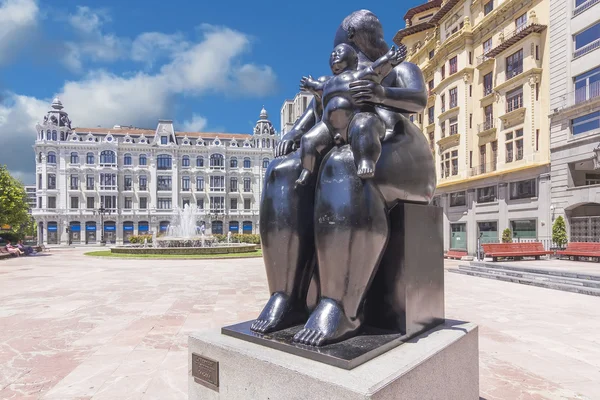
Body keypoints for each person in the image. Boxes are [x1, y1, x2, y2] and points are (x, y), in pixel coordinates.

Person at [252, 9, 436, 347]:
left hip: (399, 151)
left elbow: (419, 100)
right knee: (282, 172)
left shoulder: (399, 69)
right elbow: (312, 114)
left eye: (373, 34)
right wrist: (294, 133)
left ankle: (342, 306)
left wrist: (381, 95)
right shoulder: (339, 80)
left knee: (344, 163)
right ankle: (286, 296)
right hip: (346, 141)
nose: (375, 41)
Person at [296, 43, 405, 184]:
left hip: (355, 119)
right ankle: (307, 169)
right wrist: (309, 83)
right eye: (332, 54)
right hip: (329, 128)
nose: (334, 55)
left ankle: (366, 160)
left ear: (354, 60)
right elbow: (316, 88)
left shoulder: (358, 75)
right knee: (308, 139)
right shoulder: (327, 84)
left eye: (339, 52)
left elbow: (376, 69)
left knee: (364, 126)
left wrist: (389, 60)